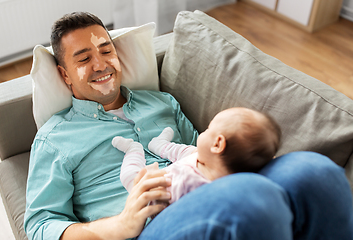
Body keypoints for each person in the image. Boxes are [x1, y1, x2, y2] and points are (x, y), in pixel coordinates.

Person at [24, 11, 353, 240]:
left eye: (105, 49)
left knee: (314, 171)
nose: (100, 64)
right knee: (251, 199)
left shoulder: (160, 102)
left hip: (200, 194)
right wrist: (120, 225)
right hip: (143, 230)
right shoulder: (55, 138)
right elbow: (40, 225)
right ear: (65, 75)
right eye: (83, 58)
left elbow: (203, 154)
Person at [113, 107, 281, 204]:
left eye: (209, 128)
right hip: (197, 162)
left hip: (161, 183)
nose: (205, 131)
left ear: (217, 144)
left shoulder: (189, 185)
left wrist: (149, 180)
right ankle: (159, 144)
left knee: (129, 176)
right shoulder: (220, 163)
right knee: (190, 151)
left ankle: (133, 150)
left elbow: (155, 203)